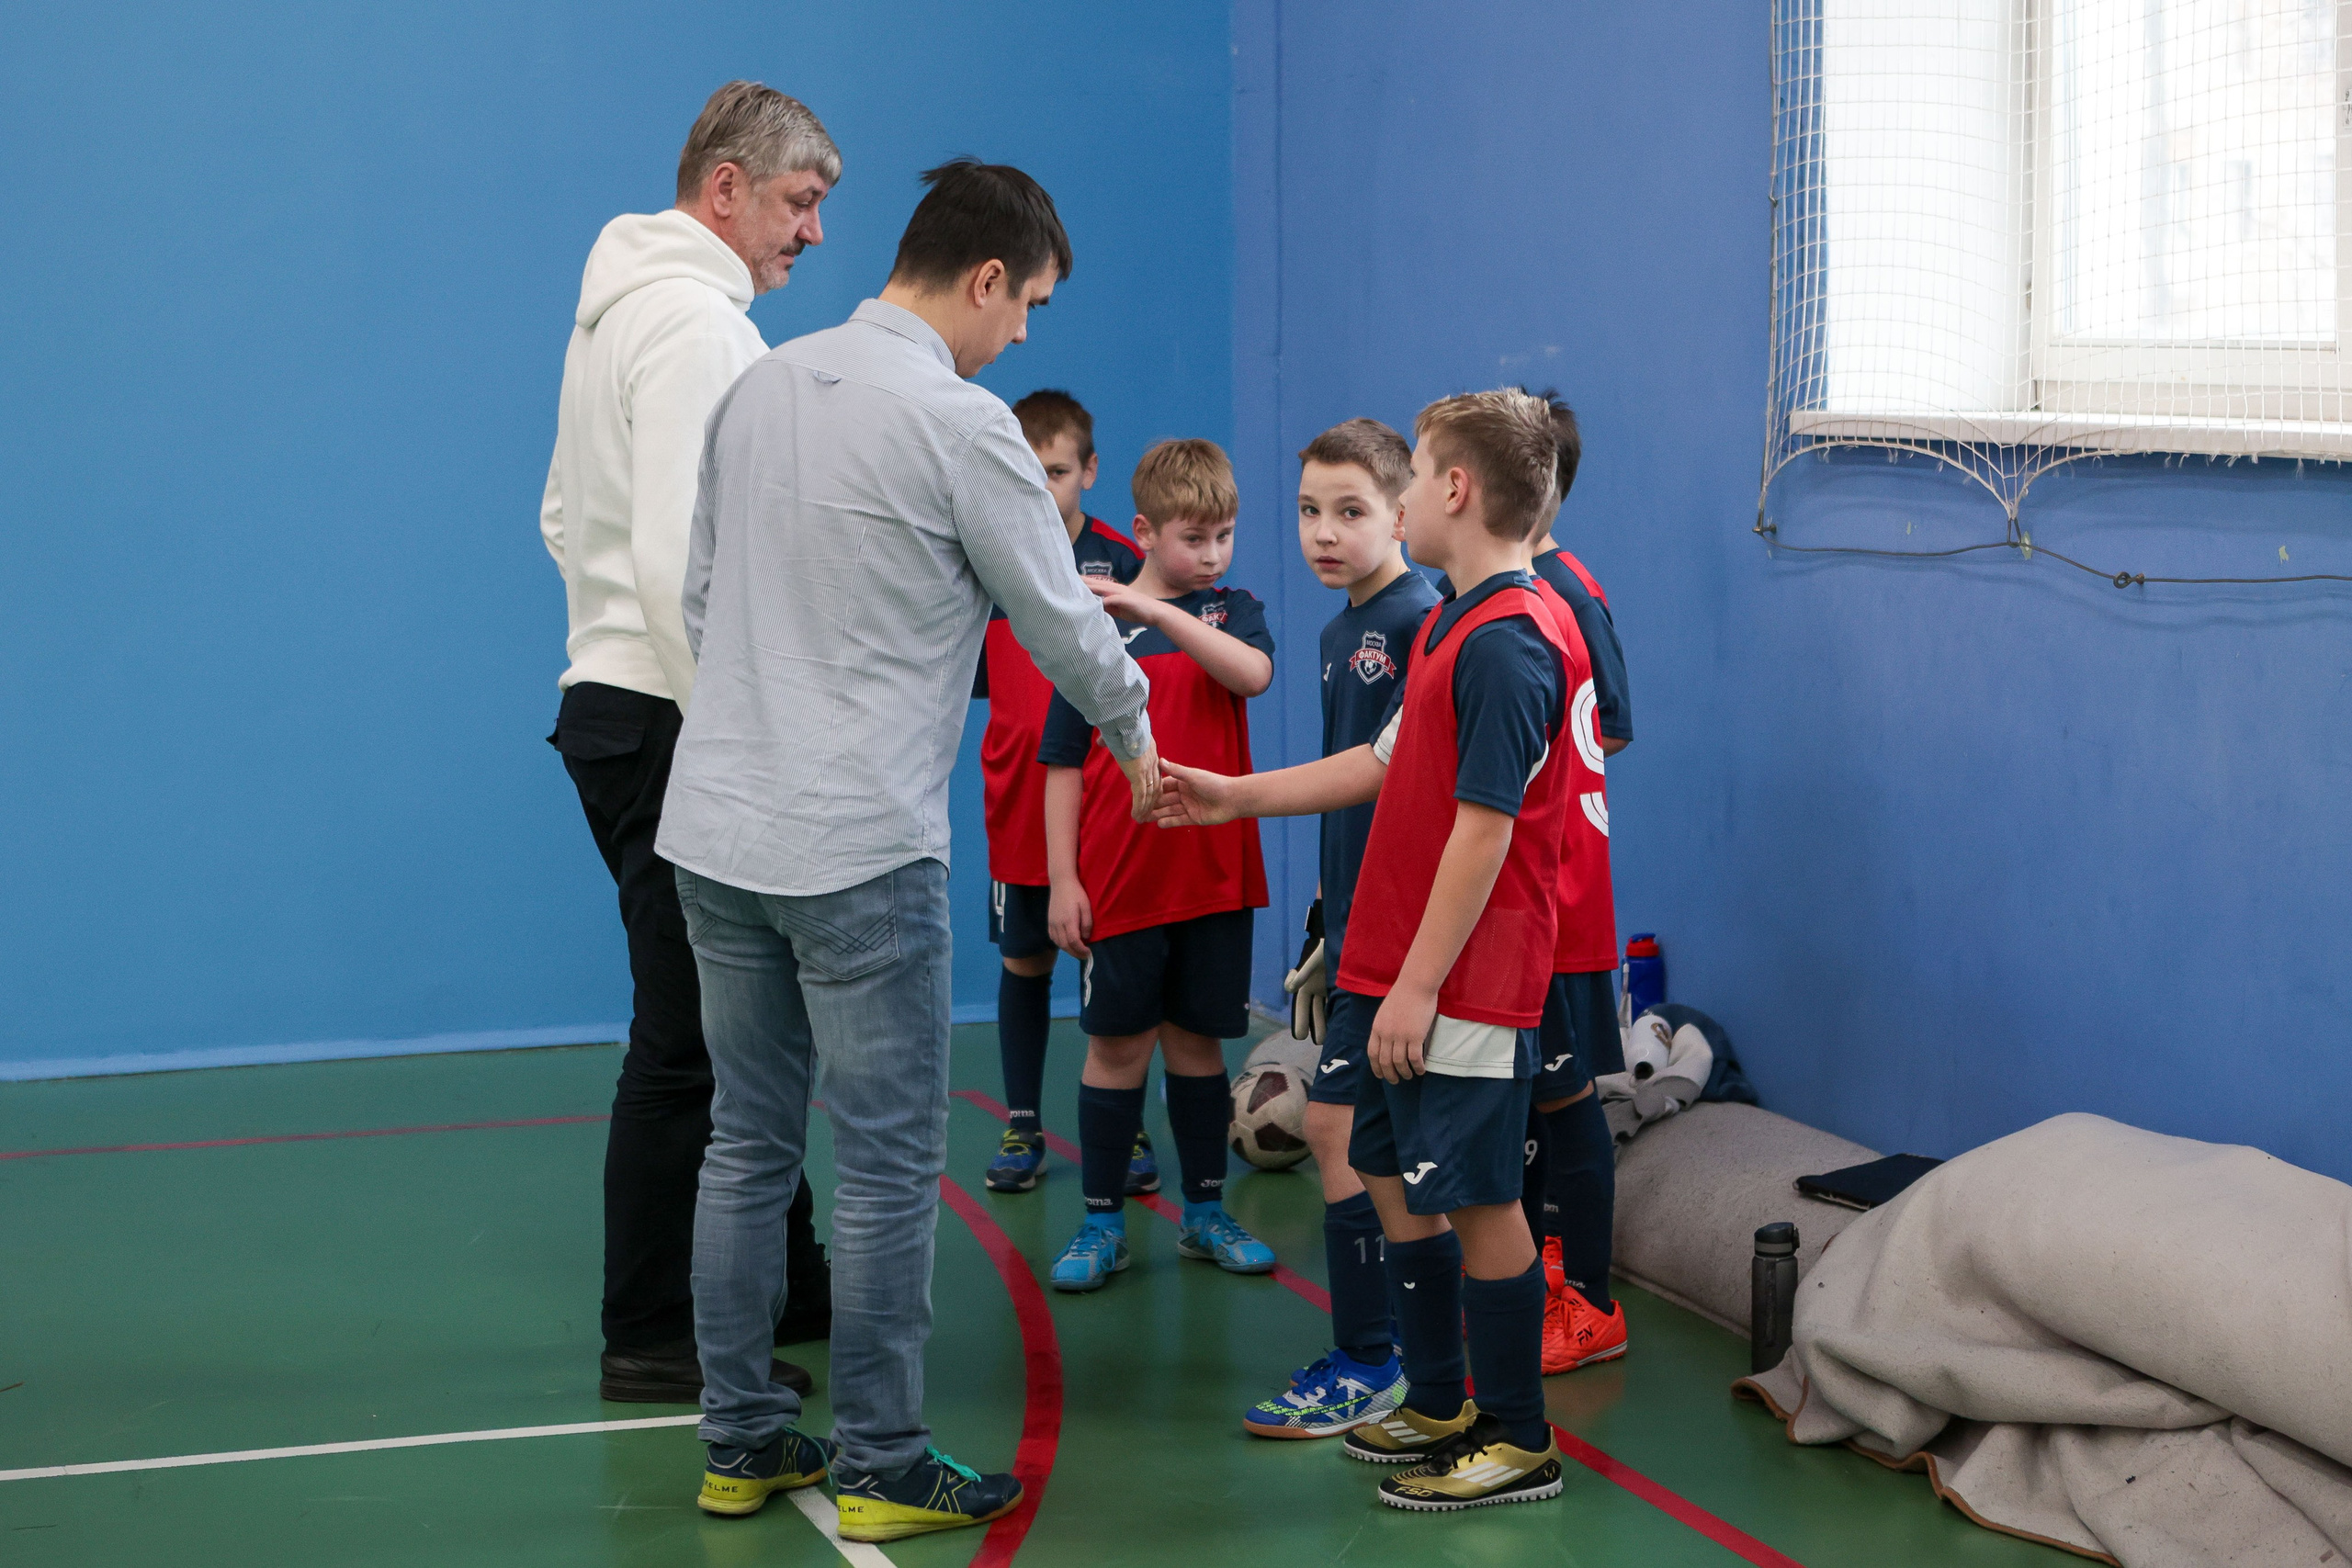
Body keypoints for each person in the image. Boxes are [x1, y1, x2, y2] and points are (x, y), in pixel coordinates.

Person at [655, 160, 1159, 1540]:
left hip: (713, 829)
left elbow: (697, 593)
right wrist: (1136, 736)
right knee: (881, 1163)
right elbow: (1060, 620)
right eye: (1030, 304)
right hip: (859, 845)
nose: (1025, 338)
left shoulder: (759, 383)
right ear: (985, 278)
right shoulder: (962, 420)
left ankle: (741, 1441)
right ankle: (880, 1456)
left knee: (747, 1145)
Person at [1157, 389, 1582, 1512]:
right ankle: (1438, 1398)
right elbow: (1388, 768)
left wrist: (1418, 987)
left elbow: (1485, 835)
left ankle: (1517, 1436)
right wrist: (1231, 798)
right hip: (1385, 967)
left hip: (1462, 985)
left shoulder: (1508, 646)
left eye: (1416, 471)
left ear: (1450, 491)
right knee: (1389, 1169)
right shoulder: (1449, 619)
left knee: (1482, 1198)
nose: (1394, 498)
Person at [539, 80, 838, 1405]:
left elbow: (565, 519)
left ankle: (791, 1279)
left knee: (739, 1017)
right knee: (693, 1032)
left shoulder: (615, 312)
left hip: (622, 699)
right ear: (724, 189)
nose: (812, 232)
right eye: (797, 201)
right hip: (669, 715)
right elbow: (675, 557)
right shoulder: (699, 326)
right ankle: (654, 1330)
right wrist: (737, 723)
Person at [1036, 438, 1277, 1292]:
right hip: (1121, 880)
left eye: (1224, 536)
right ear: (1144, 528)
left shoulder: (1233, 611)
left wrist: (1166, 609)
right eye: (1193, 538)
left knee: (1199, 1046)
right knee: (1117, 1051)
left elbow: (1251, 675)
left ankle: (1205, 1211)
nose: (1212, 555)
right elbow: (1062, 765)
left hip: (1213, 876)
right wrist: (1064, 879)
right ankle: (1103, 1219)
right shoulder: (1091, 631)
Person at [1240, 419, 1438, 1438]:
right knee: (1374, 1144)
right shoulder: (1334, 630)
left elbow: (1399, 784)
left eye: (1350, 511)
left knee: (1340, 1131)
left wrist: (1234, 797)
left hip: (1407, 939)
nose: (1324, 531)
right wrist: (1330, 920)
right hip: (1358, 926)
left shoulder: (1421, 620)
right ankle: (1411, 1347)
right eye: (1310, 510)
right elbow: (1348, 810)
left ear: (1403, 514)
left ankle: (1378, 1358)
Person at [971, 390, 1155, 1196]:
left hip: (1103, 809)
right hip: (1017, 800)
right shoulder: (983, 559)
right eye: (1030, 470)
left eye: (1058, 471)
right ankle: (1021, 1119)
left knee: (1108, 967)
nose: (1044, 487)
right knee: (1025, 961)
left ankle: (1125, 1121)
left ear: (1089, 471)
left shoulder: (1125, 566)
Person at [1519, 390, 1635, 1374]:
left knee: (1562, 1099)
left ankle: (1589, 1300)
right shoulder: (1496, 598)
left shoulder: (1567, 599)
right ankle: (1529, 1277)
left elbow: (1607, 734)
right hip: (1509, 905)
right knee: (1516, 1102)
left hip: (1554, 904)